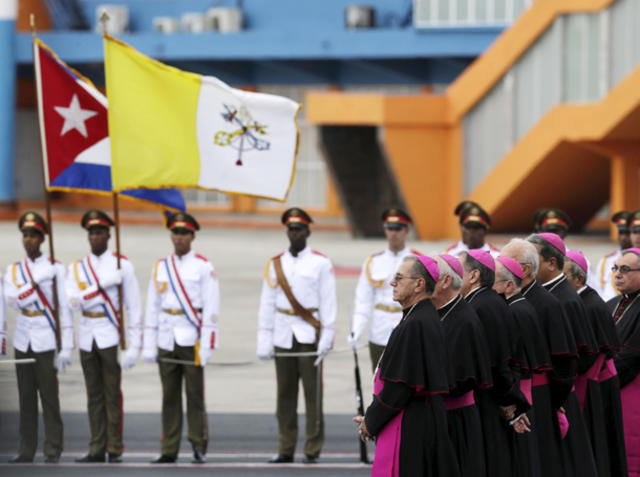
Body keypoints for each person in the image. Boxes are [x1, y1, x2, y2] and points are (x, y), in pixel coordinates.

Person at [355, 255, 460, 477]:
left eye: (399, 278)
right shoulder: (420, 317)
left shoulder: (416, 323)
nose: (392, 282)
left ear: (419, 284)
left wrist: (371, 421)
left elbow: (399, 388)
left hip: (409, 423)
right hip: (417, 418)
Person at [257, 207, 336, 464]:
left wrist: (327, 335)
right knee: (285, 395)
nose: (295, 233)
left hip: (308, 333)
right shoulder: (275, 263)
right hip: (282, 333)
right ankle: (286, 446)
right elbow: (267, 302)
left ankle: (313, 447)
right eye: (291, 229)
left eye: (299, 229)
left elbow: (328, 302)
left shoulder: (320, 263)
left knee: (313, 395)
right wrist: (264, 338)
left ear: (308, 231)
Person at [142, 212, 219, 464]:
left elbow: (211, 307)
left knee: (195, 395)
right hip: (166, 336)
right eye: (175, 233)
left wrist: (208, 343)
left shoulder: (203, 267)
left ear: (192, 236)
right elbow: (152, 306)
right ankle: (169, 447)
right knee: (169, 396)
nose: (179, 238)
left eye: (184, 233)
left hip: (191, 337)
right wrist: (149, 343)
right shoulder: (161, 267)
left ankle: (198, 444)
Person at [66, 210, 142, 463]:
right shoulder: (77, 268)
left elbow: (134, 306)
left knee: (112, 393)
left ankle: (114, 445)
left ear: (109, 235)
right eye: (92, 233)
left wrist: (135, 345)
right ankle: (96, 446)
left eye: (100, 232)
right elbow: (73, 303)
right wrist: (101, 286)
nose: (95, 237)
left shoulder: (123, 265)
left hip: (110, 334)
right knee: (93, 394)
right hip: (88, 334)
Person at [500, 238, 577, 477]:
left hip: (539, 398)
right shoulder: (516, 298)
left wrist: (552, 402)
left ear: (522, 270)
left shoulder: (547, 303)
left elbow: (565, 360)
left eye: (504, 263)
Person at [2, 212, 73, 464]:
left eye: (33, 236)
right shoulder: (14, 270)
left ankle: (53, 447)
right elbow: (14, 301)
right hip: (23, 337)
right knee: (26, 397)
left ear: (42, 238)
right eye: (25, 235)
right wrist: (37, 281)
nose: (29, 240)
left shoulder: (57, 268)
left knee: (49, 397)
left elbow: (64, 308)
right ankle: (26, 448)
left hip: (46, 337)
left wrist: (67, 346)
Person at [526, 233, 599, 477]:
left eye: (532, 257)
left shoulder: (562, 299)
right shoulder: (548, 292)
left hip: (559, 393)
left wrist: (556, 395)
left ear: (551, 263)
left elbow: (577, 354)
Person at [460, 249, 529, 477]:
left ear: (474, 276)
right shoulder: (484, 301)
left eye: (458, 270)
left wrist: (508, 402)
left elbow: (497, 361)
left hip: (488, 401)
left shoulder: (483, 306)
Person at [564, 250, 627, 477]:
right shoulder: (581, 301)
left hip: (593, 385)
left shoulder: (589, 305)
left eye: (564, 278)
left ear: (579, 278)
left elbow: (591, 354)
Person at [432, 254, 492, 477]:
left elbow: (461, 377)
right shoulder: (448, 311)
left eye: (432, 276)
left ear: (446, 281)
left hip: (457, 418)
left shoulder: (464, 318)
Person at [494, 256, 553, 477]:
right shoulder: (521, 306)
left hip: (521, 395)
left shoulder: (514, 311)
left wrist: (511, 405)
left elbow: (515, 361)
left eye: (494, 281)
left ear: (509, 284)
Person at [348, 208, 420, 372]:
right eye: (390, 228)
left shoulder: (419, 260)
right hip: (379, 329)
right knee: (379, 379)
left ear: (406, 231)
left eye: (398, 229)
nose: (393, 233)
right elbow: (363, 300)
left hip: (408, 326)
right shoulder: (373, 261)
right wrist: (356, 329)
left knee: (407, 376)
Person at [607, 247, 640, 477]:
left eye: (625, 269)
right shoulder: (610, 304)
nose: (618, 274)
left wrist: (603, 376)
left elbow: (633, 353)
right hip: (608, 383)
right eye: (616, 268)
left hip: (632, 385)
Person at [594, 211, 631, 301]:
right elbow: (598, 290)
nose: (623, 237)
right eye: (621, 233)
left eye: (627, 233)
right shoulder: (606, 261)